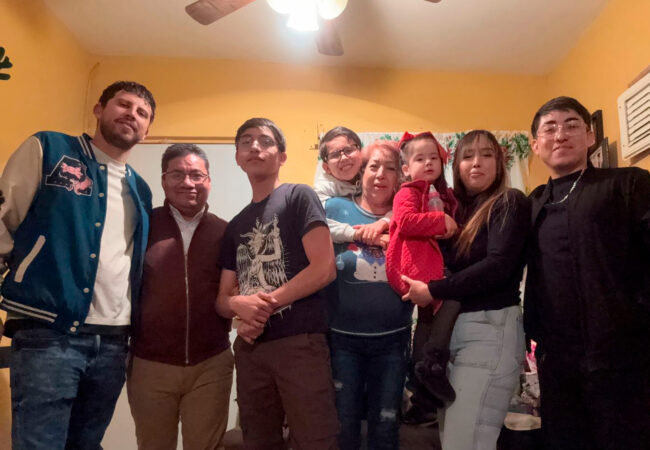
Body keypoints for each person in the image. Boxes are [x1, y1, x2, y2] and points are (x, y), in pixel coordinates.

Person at [0, 81, 155, 448]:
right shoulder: (49, 149)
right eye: (123, 104)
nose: (132, 114)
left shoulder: (141, 189)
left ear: (147, 131)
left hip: (114, 341)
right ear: (99, 109)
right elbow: (4, 218)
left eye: (142, 113)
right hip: (47, 332)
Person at [525, 96, 650, 450]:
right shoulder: (532, 204)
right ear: (535, 145)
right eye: (549, 128)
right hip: (556, 361)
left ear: (590, 136)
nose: (560, 135)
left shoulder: (629, 184)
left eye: (571, 125)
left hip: (623, 356)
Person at [402, 130, 530, 450]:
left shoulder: (509, 201)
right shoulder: (455, 212)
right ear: (456, 165)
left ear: (499, 162)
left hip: (491, 328)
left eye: (486, 155)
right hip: (455, 332)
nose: (476, 163)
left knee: (466, 441)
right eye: (467, 156)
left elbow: (498, 266)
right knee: (454, 439)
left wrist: (434, 289)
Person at [215, 118, 339, 449]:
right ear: (238, 157)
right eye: (246, 142)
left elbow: (324, 268)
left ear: (281, 156)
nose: (255, 147)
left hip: (300, 343)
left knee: (316, 440)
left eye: (265, 141)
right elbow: (222, 299)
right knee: (258, 441)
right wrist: (237, 305)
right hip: (251, 349)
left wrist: (262, 308)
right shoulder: (235, 226)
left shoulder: (299, 196)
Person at [127, 144, 233, 449]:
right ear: (163, 180)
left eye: (197, 175)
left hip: (211, 364)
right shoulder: (142, 226)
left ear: (209, 180)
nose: (188, 183)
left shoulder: (227, 232)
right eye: (177, 175)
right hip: (150, 363)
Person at [325, 139, 410, 449]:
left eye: (390, 168)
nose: (381, 174)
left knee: (386, 426)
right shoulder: (336, 209)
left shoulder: (407, 216)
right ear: (361, 172)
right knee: (343, 425)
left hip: (393, 341)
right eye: (374, 166)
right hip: (342, 341)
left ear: (399, 177)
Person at [385, 132, 458, 413]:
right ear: (406, 168)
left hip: (427, 263)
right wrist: (441, 220)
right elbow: (405, 221)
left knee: (428, 316)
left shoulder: (440, 193)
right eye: (420, 159)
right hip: (414, 265)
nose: (428, 163)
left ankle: (419, 378)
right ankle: (433, 362)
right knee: (452, 297)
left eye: (433, 158)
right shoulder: (408, 191)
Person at [315, 126, 391, 246]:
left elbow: (404, 201)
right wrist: (360, 234)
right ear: (326, 168)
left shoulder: (376, 173)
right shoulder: (322, 188)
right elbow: (315, 224)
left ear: (361, 153)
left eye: (349, 150)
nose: (344, 158)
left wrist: (383, 223)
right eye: (335, 155)